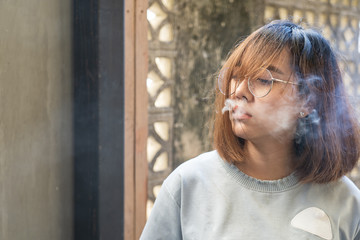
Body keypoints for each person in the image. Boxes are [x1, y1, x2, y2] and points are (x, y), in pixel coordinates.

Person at [140, 20, 360, 239]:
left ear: (306, 101)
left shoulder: (347, 205)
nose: (238, 91)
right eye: (235, 76)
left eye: (263, 79)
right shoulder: (187, 185)